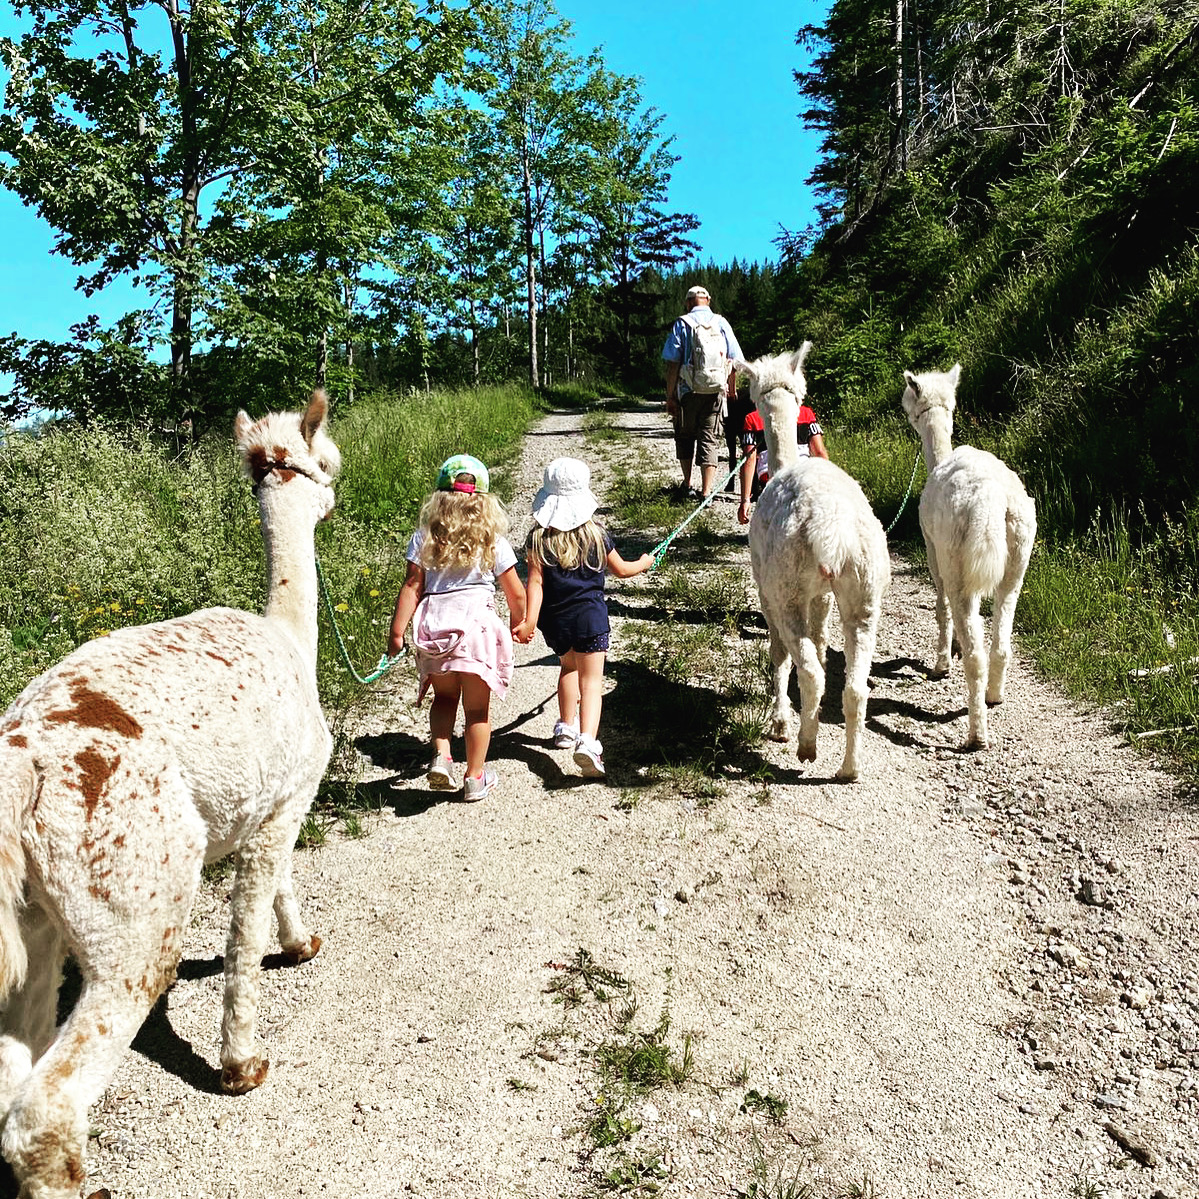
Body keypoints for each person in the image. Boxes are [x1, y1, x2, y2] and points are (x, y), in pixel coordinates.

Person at [388, 453, 527, 801]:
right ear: (484, 502)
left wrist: (396, 632)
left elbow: (411, 586)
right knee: (477, 711)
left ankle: (442, 755)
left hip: (436, 628)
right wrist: (518, 621)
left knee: (444, 697)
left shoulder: (425, 537)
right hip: (476, 629)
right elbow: (516, 591)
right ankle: (475, 778)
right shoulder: (492, 539)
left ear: (439, 499)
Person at [513, 457, 653, 779]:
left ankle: (565, 727)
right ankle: (587, 741)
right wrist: (644, 562)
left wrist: (531, 620)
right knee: (592, 683)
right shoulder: (597, 535)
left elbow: (535, 583)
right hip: (591, 620)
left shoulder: (537, 539)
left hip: (556, 621)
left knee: (568, 668)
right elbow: (622, 570)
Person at [661, 284, 743, 499]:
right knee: (709, 439)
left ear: (689, 303)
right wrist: (731, 389)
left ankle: (687, 485)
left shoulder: (683, 322)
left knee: (685, 436)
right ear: (708, 299)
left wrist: (670, 396)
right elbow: (733, 360)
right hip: (716, 390)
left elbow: (672, 363)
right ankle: (706, 492)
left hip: (688, 389)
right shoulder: (721, 322)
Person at [736, 398, 829, 525]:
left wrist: (745, 500)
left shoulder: (753, 419)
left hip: (770, 479)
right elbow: (819, 452)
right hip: (803, 475)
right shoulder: (806, 413)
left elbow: (749, 460)